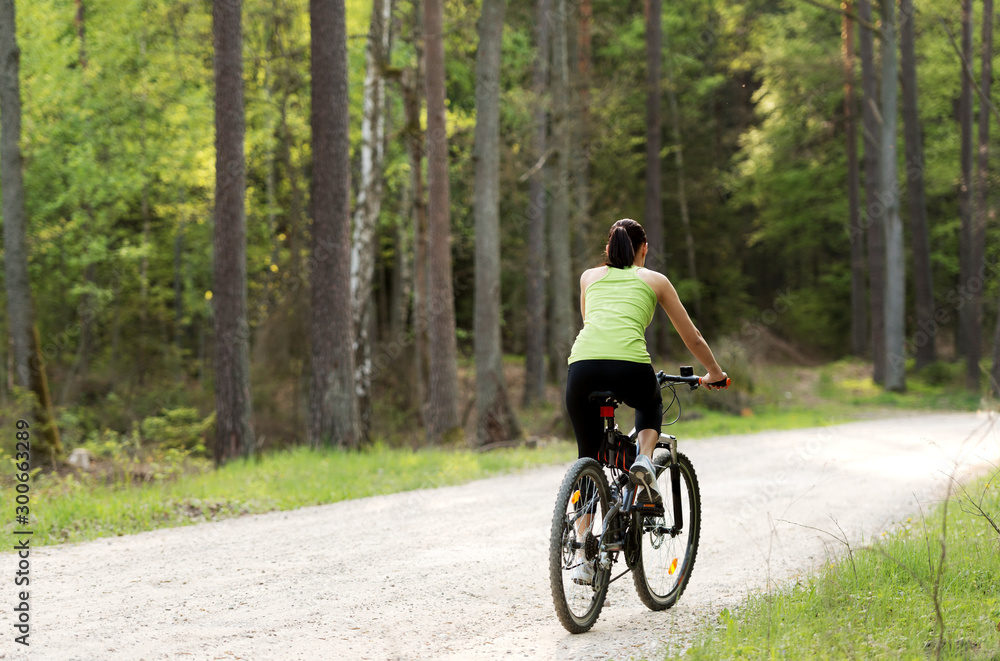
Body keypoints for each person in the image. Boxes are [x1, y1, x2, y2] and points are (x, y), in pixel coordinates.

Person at [566, 217, 727, 508]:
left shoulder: (588, 277)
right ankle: (643, 459)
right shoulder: (655, 280)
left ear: (608, 248)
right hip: (629, 367)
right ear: (645, 249)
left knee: (588, 456)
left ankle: (582, 536)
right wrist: (714, 373)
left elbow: (591, 322)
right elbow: (693, 338)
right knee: (650, 403)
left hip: (582, 367)